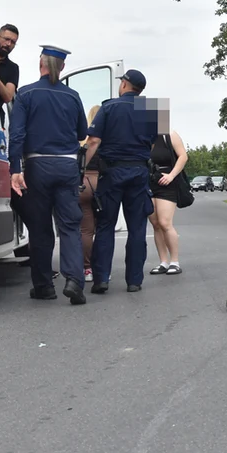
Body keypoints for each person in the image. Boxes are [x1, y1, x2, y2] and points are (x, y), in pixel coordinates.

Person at [8, 44, 90, 305]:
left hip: (37, 167)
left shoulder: (25, 94)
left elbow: (17, 134)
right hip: (67, 167)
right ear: (62, 67)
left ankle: (43, 286)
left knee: (40, 228)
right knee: (69, 226)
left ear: (40, 64)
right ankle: (75, 280)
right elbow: (81, 133)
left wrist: (14, 169)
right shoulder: (73, 96)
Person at [82, 69, 158, 294]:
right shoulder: (154, 109)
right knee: (137, 228)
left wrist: (80, 169)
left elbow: (94, 140)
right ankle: (134, 281)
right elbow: (153, 145)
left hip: (112, 173)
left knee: (105, 225)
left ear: (124, 84)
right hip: (139, 172)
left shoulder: (107, 107)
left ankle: (101, 279)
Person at [148, 129, 189, 275]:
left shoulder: (169, 134)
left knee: (165, 222)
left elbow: (183, 156)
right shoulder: (143, 134)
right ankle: (163, 262)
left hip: (167, 182)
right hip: (149, 182)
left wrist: (172, 175)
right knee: (156, 224)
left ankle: (175, 261)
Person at [78, 105, 102, 283]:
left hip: (85, 183)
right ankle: (102, 268)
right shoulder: (110, 140)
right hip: (103, 183)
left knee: (86, 230)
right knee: (104, 228)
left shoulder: (84, 142)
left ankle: (87, 269)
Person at [0, 24, 20, 105]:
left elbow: (8, 97)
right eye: (6, 39)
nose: (9, 44)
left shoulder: (12, 68)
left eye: (13, 42)